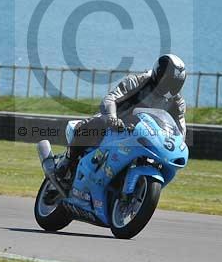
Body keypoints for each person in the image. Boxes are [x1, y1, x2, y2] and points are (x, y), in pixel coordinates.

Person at [42, 54, 187, 183]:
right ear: (159, 75)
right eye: (169, 82)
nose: (171, 87)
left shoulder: (177, 102)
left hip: (144, 134)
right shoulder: (138, 82)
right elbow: (110, 98)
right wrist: (112, 117)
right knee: (95, 124)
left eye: (176, 83)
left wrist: (178, 145)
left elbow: (180, 130)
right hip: (117, 123)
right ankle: (66, 163)